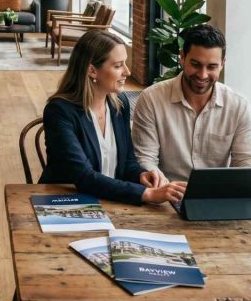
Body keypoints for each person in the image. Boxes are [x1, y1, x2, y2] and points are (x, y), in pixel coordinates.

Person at [39, 29, 181, 205]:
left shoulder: (119, 104)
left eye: (125, 63)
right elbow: (84, 177)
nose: (127, 72)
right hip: (67, 202)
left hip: (110, 201)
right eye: (118, 65)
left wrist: (141, 175)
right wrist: (147, 194)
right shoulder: (59, 111)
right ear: (92, 70)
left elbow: (127, 162)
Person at [133, 24, 251, 184]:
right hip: (165, 193)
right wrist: (161, 184)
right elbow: (145, 158)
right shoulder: (151, 99)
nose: (202, 74)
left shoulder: (238, 106)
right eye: (195, 64)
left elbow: (247, 161)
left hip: (216, 196)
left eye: (212, 67)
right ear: (182, 57)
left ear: (222, 63)